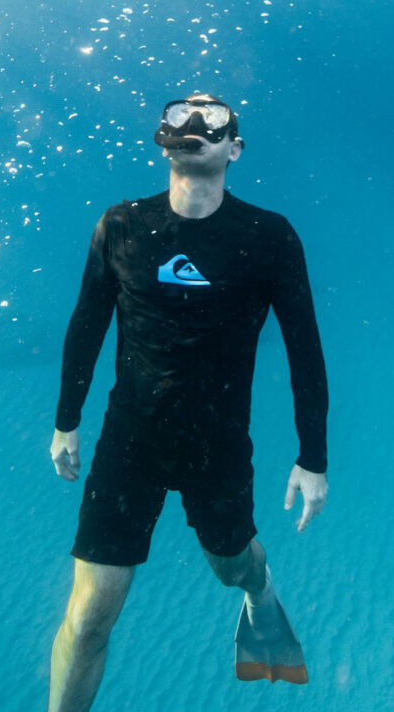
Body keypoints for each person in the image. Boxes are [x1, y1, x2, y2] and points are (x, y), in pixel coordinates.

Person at [47, 93, 328, 712]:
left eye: (213, 118)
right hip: (130, 439)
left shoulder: (269, 237)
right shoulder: (121, 225)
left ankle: (261, 591)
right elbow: (85, 326)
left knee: (231, 567)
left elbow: (305, 349)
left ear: (235, 149)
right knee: (91, 615)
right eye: (180, 114)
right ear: (162, 137)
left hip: (217, 444)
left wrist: (313, 457)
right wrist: (66, 423)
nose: (194, 124)